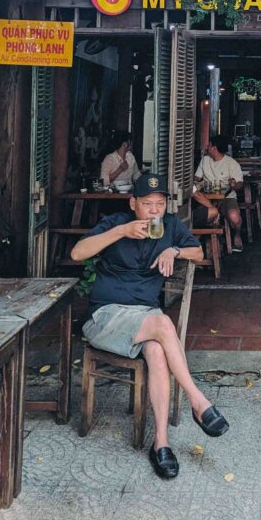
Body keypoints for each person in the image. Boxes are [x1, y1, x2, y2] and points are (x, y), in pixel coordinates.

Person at [72, 173, 229, 480]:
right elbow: (78, 253)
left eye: (160, 204)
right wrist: (121, 231)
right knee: (162, 323)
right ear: (134, 204)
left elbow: (199, 252)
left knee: (157, 352)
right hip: (106, 317)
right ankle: (198, 401)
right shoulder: (116, 222)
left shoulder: (170, 226)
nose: (155, 210)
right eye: (147, 204)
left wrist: (174, 251)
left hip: (145, 319)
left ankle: (161, 444)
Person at [193, 134, 245, 252]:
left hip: (227, 198)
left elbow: (240, 184)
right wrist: (193, 182)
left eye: (209, 145)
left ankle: (237, 235)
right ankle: (202, 245)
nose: (207, 148)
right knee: (206, 216)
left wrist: (234, 185)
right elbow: (196, 178)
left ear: (214, 148)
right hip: (206, 199)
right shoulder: (205, 160)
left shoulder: (231, 163)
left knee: (235, 217)